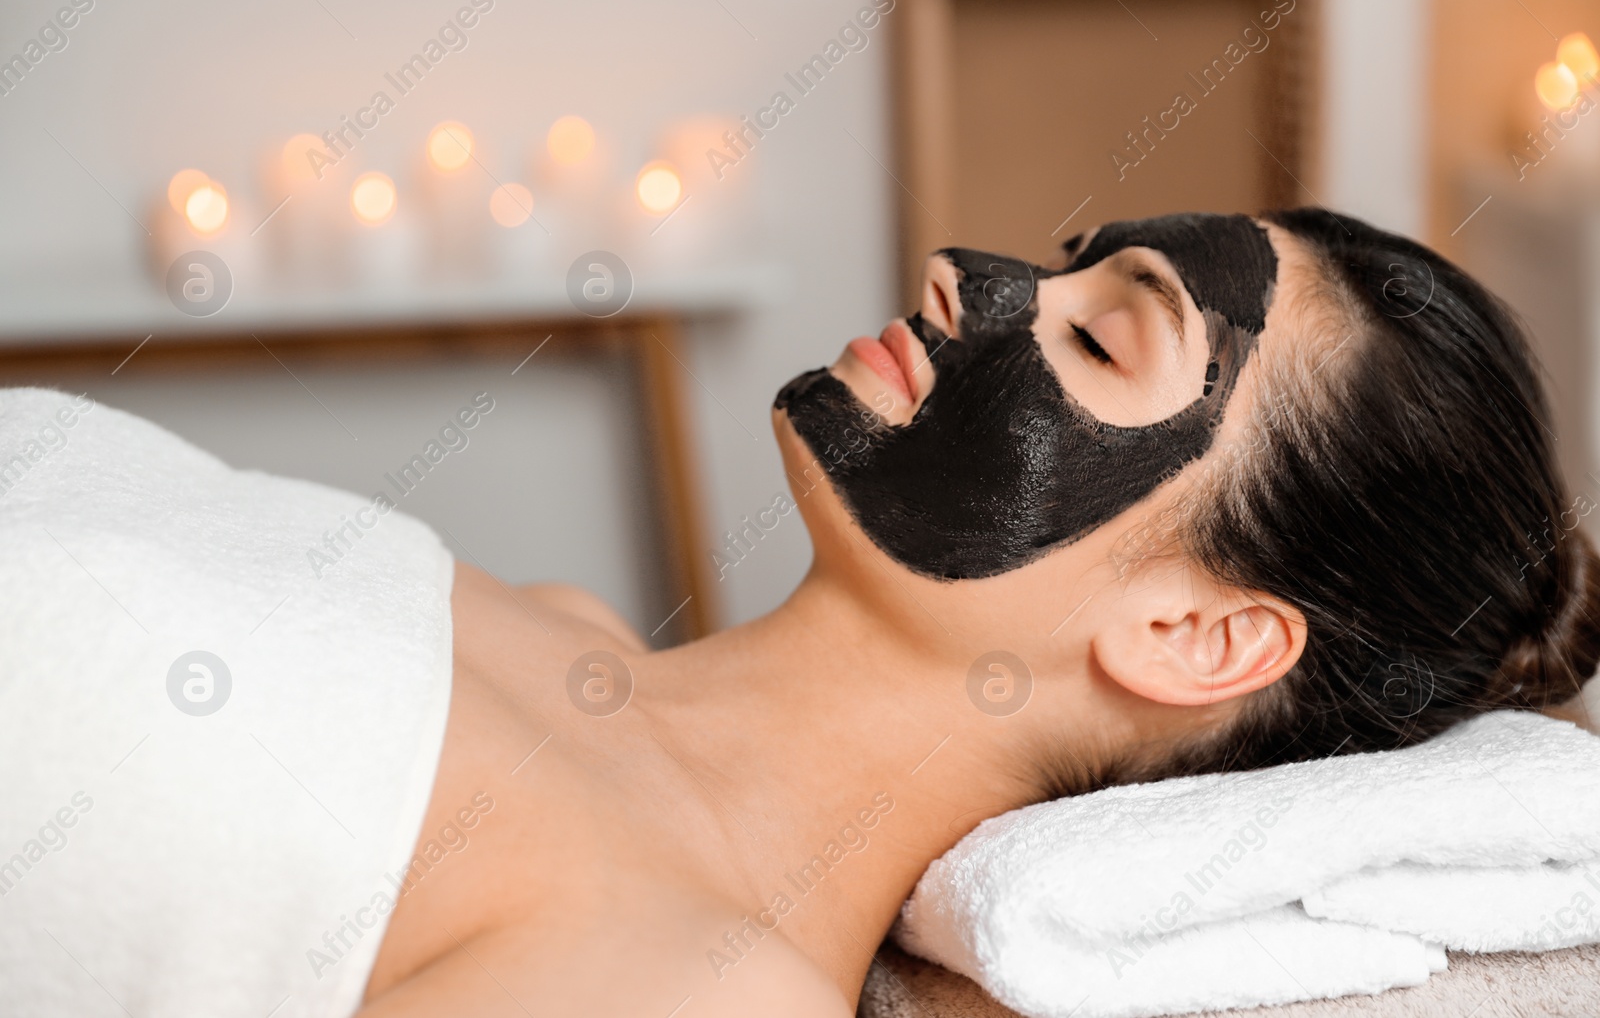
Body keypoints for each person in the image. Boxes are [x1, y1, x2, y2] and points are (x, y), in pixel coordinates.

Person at [354, 209, 1600, 1016]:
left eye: (1106, 339)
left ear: (1192, 635)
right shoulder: (562, 623)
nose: (962, 272)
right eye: (1068, 265)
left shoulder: (699, 985)